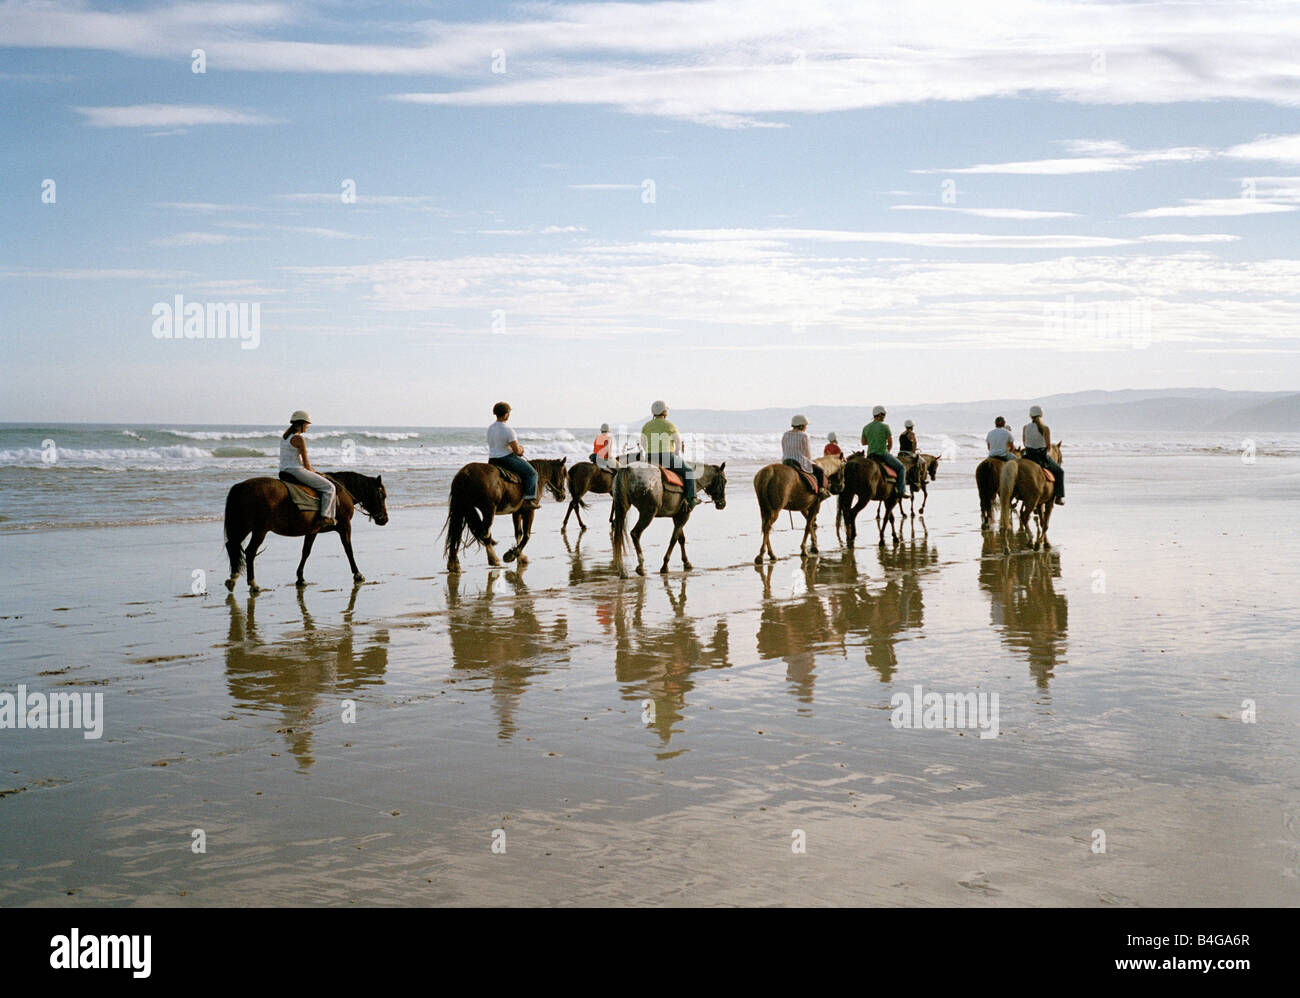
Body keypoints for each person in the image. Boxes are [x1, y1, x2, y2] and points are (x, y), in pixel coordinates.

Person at [279, 410, 336, 526]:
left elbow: (294, 458)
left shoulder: (285, 437)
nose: (307, 427)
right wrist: (316, 473)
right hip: (296, 470)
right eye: (306, 424)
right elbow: (305, 464)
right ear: (300, 424)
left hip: (284, 470)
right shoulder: (299, 439)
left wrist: (313, 471)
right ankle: (326, 517)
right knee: (329, 487)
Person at [641, 400, 699, 508]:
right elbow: (677, 441)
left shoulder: (646, 425)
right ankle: (692, 498)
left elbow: (643, 444)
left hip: (650, 458)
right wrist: (676, 453)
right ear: (664, 412)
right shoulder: (669, 425)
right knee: (689, 471)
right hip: (667, 457)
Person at [487, 402, 540, 508]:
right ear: (506, 414)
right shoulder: (508, 430)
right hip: (506, 459)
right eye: (509, 413)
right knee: (532, 474)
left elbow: (497, 444)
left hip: (492, 459)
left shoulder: (490, 428)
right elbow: (517, 451)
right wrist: (522, 449)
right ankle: (529, 500)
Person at [861, 405, 908, 502]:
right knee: (901, 468)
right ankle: (901, 491)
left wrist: (873, 440)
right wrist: (888, 450)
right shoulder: (885, 426)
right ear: (880, 414)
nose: (884, 417)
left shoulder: (866, 427)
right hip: (882, 453)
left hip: (870, 455)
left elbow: (863, 442)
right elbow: (890, 443)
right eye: (884, 415)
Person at [1022, 405, 1064, 505]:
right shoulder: (1045, 428)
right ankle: (1058, 497)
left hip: (1027, 455)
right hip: (1040, 456)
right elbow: (1048, 447)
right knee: (1059, 472)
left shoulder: (1025, 427)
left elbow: (1024, 443)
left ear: (1030, 416)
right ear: (1041, 415)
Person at [782, 414, 829, 499]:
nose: (806, 427)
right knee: (820, 471)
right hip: (799, 462)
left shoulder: (785, 434)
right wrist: (810, 460)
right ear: (802, 426)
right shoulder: (804, 435)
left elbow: (784, 448)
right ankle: (821, 491)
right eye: (805, 426)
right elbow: (807, 453)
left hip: (786, 461)